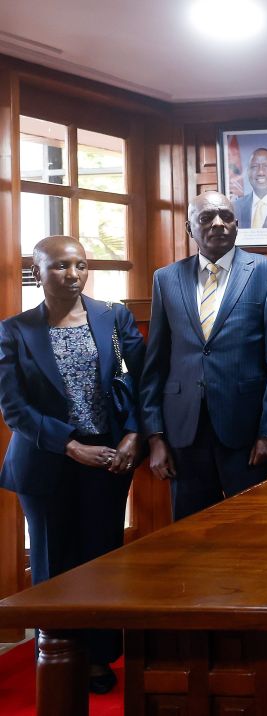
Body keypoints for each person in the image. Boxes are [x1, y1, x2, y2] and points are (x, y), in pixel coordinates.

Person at [0, 235, 145, 693]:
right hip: (46, 459)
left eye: (80, 265)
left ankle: (98, 658)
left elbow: (141, 379)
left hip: (108, 458)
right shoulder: (15, 330)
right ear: (37, 272)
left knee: (102, 558)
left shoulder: (113, 317)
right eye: (61, 266)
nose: (73, 274)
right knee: (52, 560)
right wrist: (70, 446)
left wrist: (134, 434)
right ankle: (57, 657)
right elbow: (15, 408)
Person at [141, 190, 267, 520]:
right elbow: (156, 362)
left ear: (237, 224)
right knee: (191, 532)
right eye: (206, 217)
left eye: (226, 216)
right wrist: (155, 436)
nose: (218, 224)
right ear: (189, 228)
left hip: (246, 431)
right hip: (184, 431)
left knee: (254, 527)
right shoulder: (166, 279)